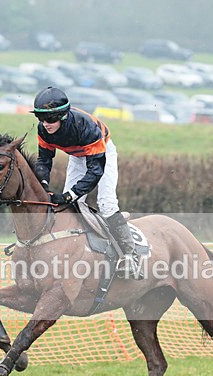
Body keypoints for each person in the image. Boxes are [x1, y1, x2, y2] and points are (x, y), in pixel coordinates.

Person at [31, 86, 141, 279]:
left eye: (49, 119)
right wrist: (43, 184)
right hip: (77, 156)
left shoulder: (85, 126)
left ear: (63, 116)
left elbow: (96, 170)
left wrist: (69, 194)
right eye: (40, 118)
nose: (45, 124)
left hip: (102, 153)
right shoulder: (44, 130)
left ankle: (130, 255)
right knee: (70, 207)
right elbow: (44, 160)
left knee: (106, 203)